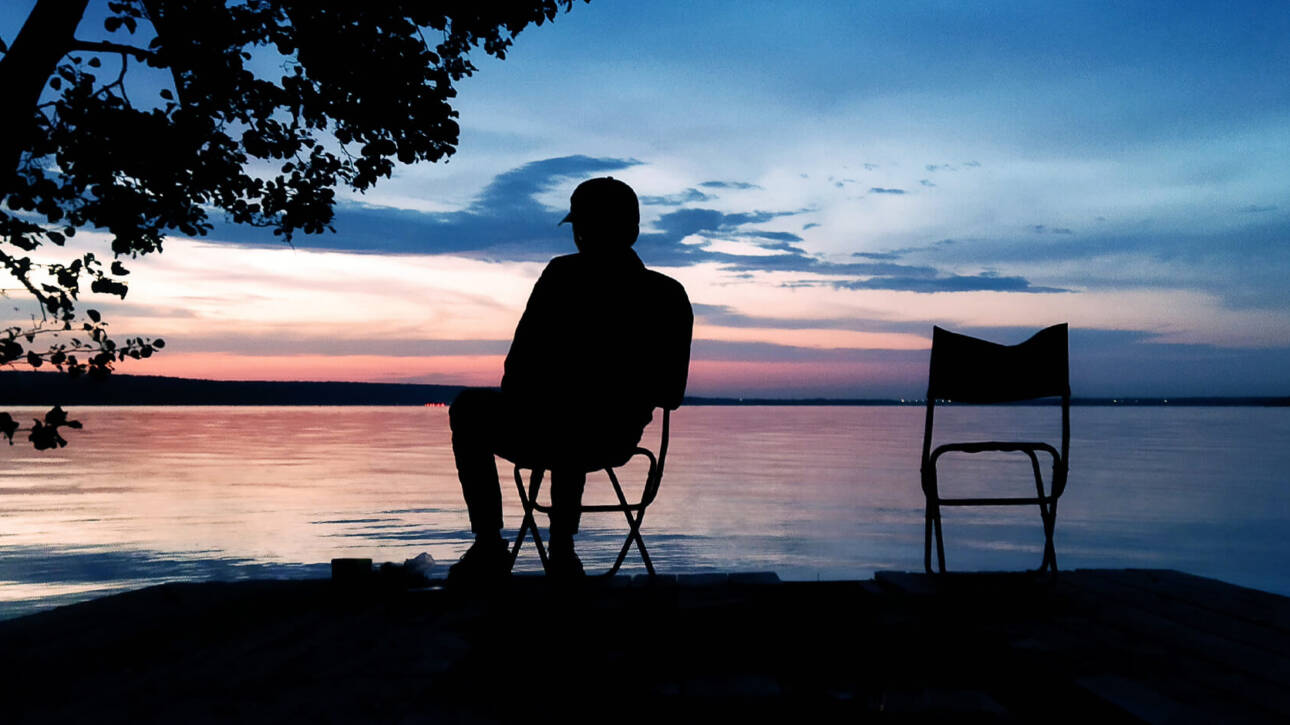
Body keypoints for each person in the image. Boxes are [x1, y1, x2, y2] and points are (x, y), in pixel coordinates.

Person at [447, 177, 693, 581]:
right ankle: (555, 550)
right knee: (554, 415)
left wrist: (578, 388)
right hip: (606, 435)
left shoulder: (561, 277)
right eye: (582, 229)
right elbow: (671, 394)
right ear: (634, 231)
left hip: (575, 431)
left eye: (585, 228)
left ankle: (496, 545)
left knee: (486, 410)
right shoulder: (667, 293)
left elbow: (518, 370)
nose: (581, 238)